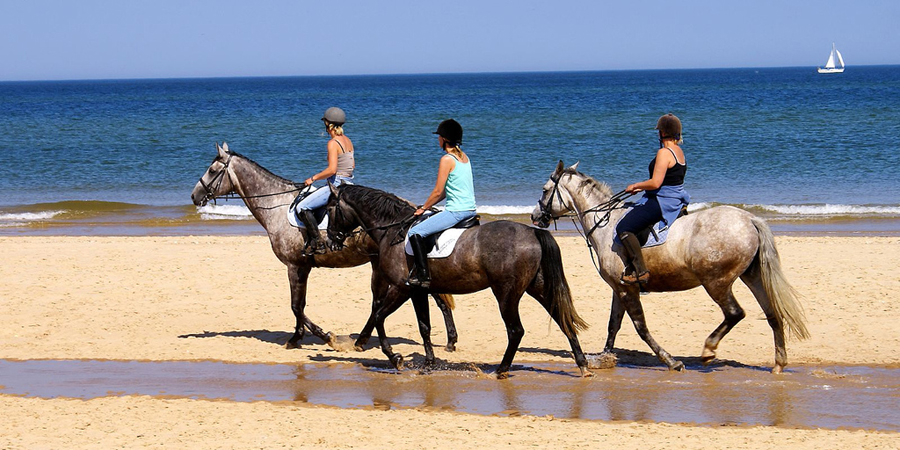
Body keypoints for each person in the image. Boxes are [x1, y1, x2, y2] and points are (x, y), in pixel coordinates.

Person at [615, 113, 691, 285]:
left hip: (663, 200)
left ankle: (640, 271)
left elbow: (656, 183)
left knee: (624, 227)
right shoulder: (678, 151)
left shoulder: (664, 152)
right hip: (675, 198)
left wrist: (636, 186)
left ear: (662, 132)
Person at [406, 119, 477, 288]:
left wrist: (423, 208)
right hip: (470, 209)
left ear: (444, 139)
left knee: (415, 232)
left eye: (439, 137)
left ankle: (423, 276)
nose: (437, 140)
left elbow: (438, 191)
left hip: (456, 211)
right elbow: (447, 191)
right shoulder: (464, 158)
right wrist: (429, 205)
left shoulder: (447, 159)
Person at [295, 107, 355, 255]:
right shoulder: (348, 140)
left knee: (302, 207)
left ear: (328, 125)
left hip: (336, 185)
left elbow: (332, 170)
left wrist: (312, 178)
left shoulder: (333, 143)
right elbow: (352, 165)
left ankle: (318, 243)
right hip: (349, 184)